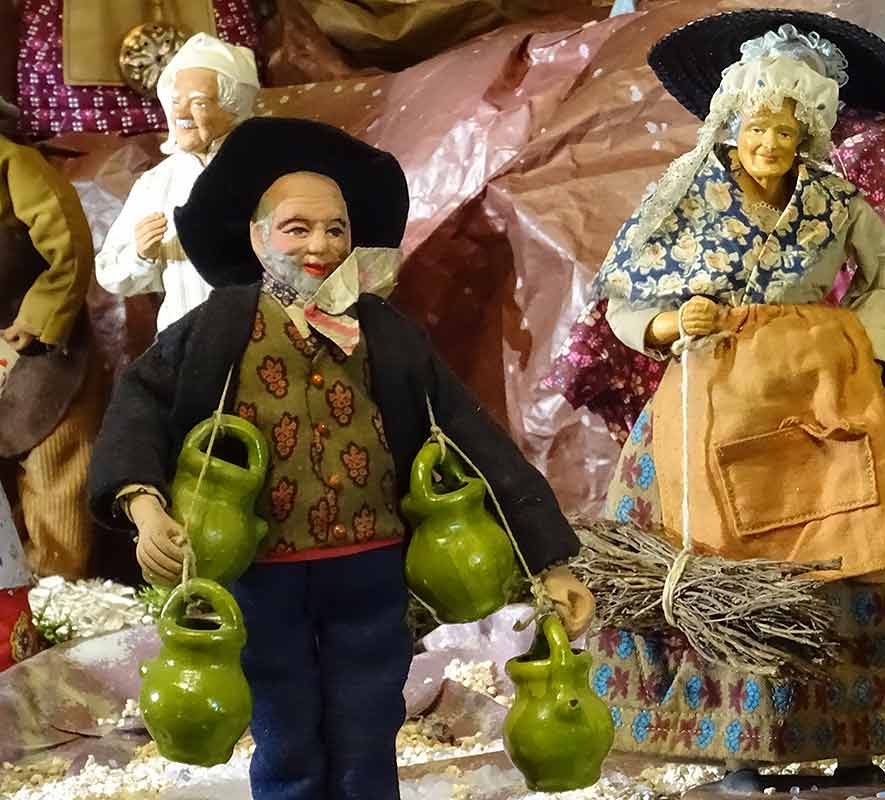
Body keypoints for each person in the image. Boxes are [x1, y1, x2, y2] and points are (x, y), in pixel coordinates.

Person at [88, 117, 594, 800]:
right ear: (257, 236)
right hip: (259, 572)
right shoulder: (217, 330)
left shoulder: (385, 332)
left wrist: (549, 559)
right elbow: (138, 403)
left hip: (370, 568)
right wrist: (144, 506)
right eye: (297, 228)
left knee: (367, 721)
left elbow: (476, 435)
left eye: (335, 229)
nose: (319, 245)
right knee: (285, 725)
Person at [558, 15, 885, 789]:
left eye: (785, 130)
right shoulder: (682, 195)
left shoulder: (836, 204)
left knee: (848, 556)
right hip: (709, 394)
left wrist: (871, 356)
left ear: (807, 132)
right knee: (716, 558)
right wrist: (671, 323)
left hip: (819, 394)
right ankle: (738, 745)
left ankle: (856, 742)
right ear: (731, 122)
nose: (770, 144)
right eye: (756, 127)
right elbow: (624, 297)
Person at [0, 101, 105, 580]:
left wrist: (39, 316)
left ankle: (57, 595)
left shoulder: (15, 164)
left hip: (36, 343)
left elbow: (68, 245)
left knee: (55, 467)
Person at [94, 33, 259, 333]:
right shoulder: (157, 183)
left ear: (233, 106)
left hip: (261, 339)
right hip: (186, 342)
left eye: (198, 102)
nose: (180, 113)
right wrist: (141, 254)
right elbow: (111, 273)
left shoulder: (266, 168)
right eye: (175, 101)